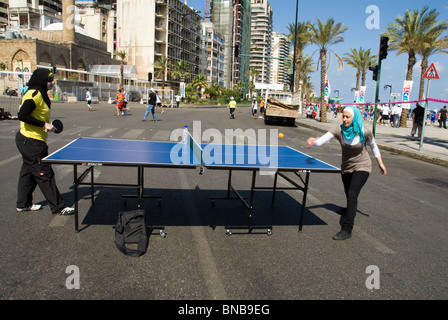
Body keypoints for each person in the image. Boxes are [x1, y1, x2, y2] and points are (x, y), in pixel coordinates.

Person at [307, 105, 387, 240]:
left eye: (347, 117)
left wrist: (380, 163)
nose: (344, 119)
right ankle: (349, 208)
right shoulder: (339, 130)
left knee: (352, 194)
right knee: (348, 192)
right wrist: (313, 141)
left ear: (354, 117)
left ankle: (347, 229)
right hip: (346, 167)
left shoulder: (364, 132)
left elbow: (373, 145)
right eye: (343, 116)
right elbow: (322, 140)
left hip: (363, 166)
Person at [15, 68, 74, 215]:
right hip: (31, 141)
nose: (52, 82)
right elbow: (22, 114)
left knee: (28, 173)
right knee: (44, 173)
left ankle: (23, 204)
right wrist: (44, 125)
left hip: (29, 139)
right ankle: (59, 207)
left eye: (52, 79)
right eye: (49, 80)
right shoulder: (34, 94)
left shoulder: (38, 93)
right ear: (42, 80)